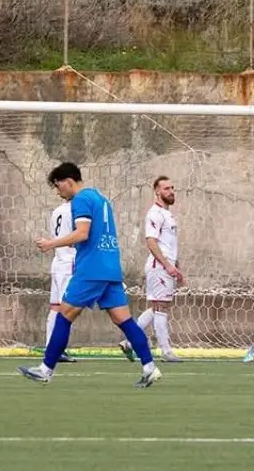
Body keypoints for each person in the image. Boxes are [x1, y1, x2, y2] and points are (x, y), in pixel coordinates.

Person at [18, 162, 160, 387]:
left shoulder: (81, 200)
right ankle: (150, 367)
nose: (58, 192)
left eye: (58, 186)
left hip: (91, 268)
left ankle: (45, 370)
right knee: (123, 319)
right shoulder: (101, 199)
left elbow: (82, 233)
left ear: (68, 181)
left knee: (64, 314)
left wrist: (51, 243)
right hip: (110, 266)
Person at [120, 175, 183, 362]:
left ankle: (129, 342)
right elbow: (151, 241)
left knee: (158, 306)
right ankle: (166, 351)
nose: (171, 192)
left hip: (165, 265)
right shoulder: (154, 213)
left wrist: (174, 264)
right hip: (159, 266)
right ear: (156, 191)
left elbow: (167, 243)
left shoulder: (167, 214)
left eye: (172, 188)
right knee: (161, 307)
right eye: (166, 189)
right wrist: (167, 265)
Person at [44, 196, 76, 363]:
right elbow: (76, 238)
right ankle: (55, 350)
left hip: (57, 261)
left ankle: (51, 347)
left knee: (56, 307)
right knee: (67, 308)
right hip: (69, 263)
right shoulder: (75, 211)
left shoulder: (56, 211)